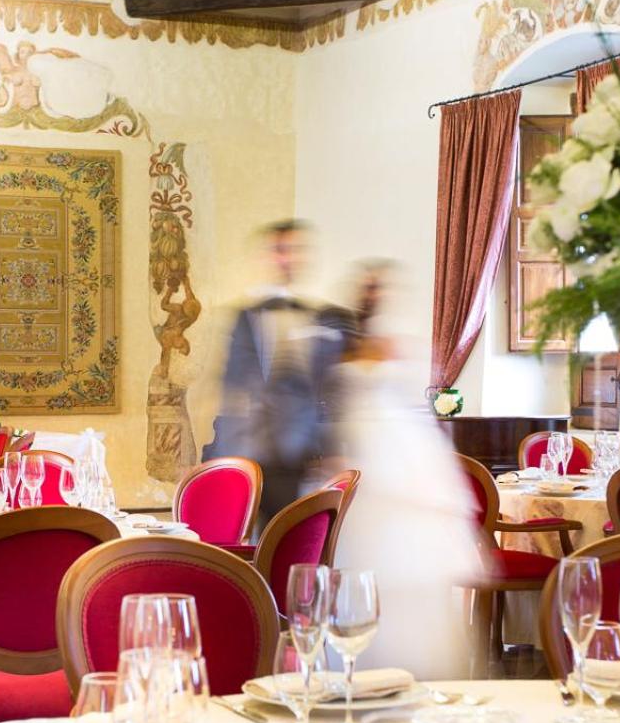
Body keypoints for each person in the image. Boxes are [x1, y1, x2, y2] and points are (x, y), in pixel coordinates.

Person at [328, 262, 486, 680]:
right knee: (359, 558)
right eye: (369, 289)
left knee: (407, 562)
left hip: (399, 449)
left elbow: (411, 395)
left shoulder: (395, 344)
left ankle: (414, 663)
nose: (374, 296)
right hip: (360, 448)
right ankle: (358, 659)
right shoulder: (342, 344)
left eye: (379, 289)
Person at [205, 220, 345, 524]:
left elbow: (328, 388)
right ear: (266, 256)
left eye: (295, 250)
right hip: (249, 448)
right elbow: (232, 384)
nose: (288, 258)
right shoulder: (244, 317)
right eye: (281, 250)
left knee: (289, 534)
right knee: (240, 534)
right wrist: (229, 451)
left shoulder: (322, 318)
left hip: (298, 451)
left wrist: (329, 448)